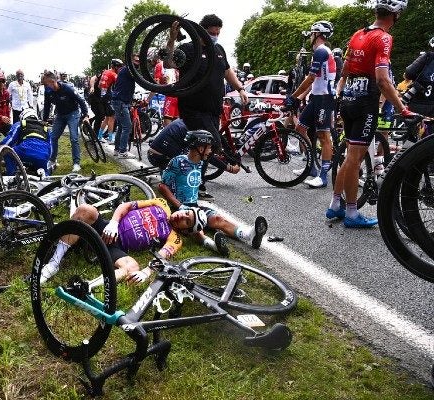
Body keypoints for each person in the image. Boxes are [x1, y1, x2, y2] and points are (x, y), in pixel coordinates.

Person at [328, 0, 415, 228]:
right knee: (355, 159)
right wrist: (402, 109)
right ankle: (352, 213)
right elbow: (382, 80)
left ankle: (335, 204)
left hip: (347, 99)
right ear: (395, 16)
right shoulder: (383, 38)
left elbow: (345, 70)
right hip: (365, 102)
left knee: (350, 156)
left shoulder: (358, 34)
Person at [166, 14, 248, 200]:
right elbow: (169, 62)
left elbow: (227, 71)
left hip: (213, 109)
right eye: (211, 32)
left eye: (218, 33)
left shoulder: (218, 50)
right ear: (201, 30)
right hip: (193, 108)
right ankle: (191, 184)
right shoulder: (188, 48)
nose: (215, 36)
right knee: (209, 143)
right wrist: (171, 39)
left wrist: (241, 89)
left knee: (203, 146)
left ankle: (195, 182)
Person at [39, 197, 206, 285]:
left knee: (132, 266)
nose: (182, 216)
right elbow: (126, 206)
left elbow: (161, 256)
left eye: (187, 221)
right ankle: (53, 265)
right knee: (85, 210)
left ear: (186, 230)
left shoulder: (175, 238)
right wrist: (113, 222)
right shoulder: (161, 204)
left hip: (117, 247)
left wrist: (146, 272)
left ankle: (88, 287)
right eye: (186, 213)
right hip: (107, 228)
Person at [158, 130, 267, 255]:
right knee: (195, 227)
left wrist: (231, 165)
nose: (210, 151)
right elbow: (162, 186)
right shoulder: (178, 161)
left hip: (194, 206)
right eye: (209, 148)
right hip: (179, 208)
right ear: (200, 148)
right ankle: (214, 245)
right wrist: (179, 205)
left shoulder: (201, 162)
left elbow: (215, 160)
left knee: (218, 219)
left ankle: (250, 235)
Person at [286, 21, 336, 188]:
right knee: (300, 129)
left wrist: (293, 96)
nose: (310, 36)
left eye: (312, 33)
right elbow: (315, 82)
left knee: (323, 137)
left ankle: (323, 177)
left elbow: (311, 78)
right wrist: (300, 97)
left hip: (324, 99)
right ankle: (312, 168)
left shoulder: (321, 51)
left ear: (317, 34)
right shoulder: (319, 52)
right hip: (316, 97)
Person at [42, 70, 89, 173]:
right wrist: (44, 120)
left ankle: (76, 163)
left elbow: (81, 101)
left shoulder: (67, 88)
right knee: (53, 137)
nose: (47, 86)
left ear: (53, 81)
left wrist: (85, 115)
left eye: (48, 84)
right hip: (60, 115)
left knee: (74, 138)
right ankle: (53, 160)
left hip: (73, 113)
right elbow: (46, 106)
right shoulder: (48, 91)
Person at [111, 53, 152, 158]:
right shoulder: (129, 70)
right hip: (120, 102)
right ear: (131, 61)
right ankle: (123, 152)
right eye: (136, 61)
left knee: (121, 126)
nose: (138, 63)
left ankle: (117, 150)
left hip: (120, 101)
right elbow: (141, 80)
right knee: (127, 126)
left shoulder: (127, 70)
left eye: (139, 61)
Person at [0, 109, 51, 175]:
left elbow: (9, 140)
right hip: (43, 154)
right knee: (44, 175)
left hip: (26, 149)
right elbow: (50, 146)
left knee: (7, 153)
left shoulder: (20, 124)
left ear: (22, 117)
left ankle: (11, 176)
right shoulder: (45, 128)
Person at [404, 37, 434, 117]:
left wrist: (418, 79)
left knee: (414, 126)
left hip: (418, 100)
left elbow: (409, 73)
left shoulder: (428, 56)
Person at [98, 59, 123, 144]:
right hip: (108, 97)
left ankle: (100, 136)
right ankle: (110, 138)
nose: (120, 69)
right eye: (119, 67)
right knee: (112, 118)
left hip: (102, 96)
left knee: (107, 118)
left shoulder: (105, 72)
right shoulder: (113, 74)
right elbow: (120, 85)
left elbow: (99, 85)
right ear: (115, 67)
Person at [88, 71, 106, 141]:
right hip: (94, 100)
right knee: (100, 116)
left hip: (100, 101)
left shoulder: (106, 80)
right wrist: (92, 87)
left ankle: (91, 121)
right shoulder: (97, 78)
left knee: (101, 116)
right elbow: (92, 79)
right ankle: (95, 134)